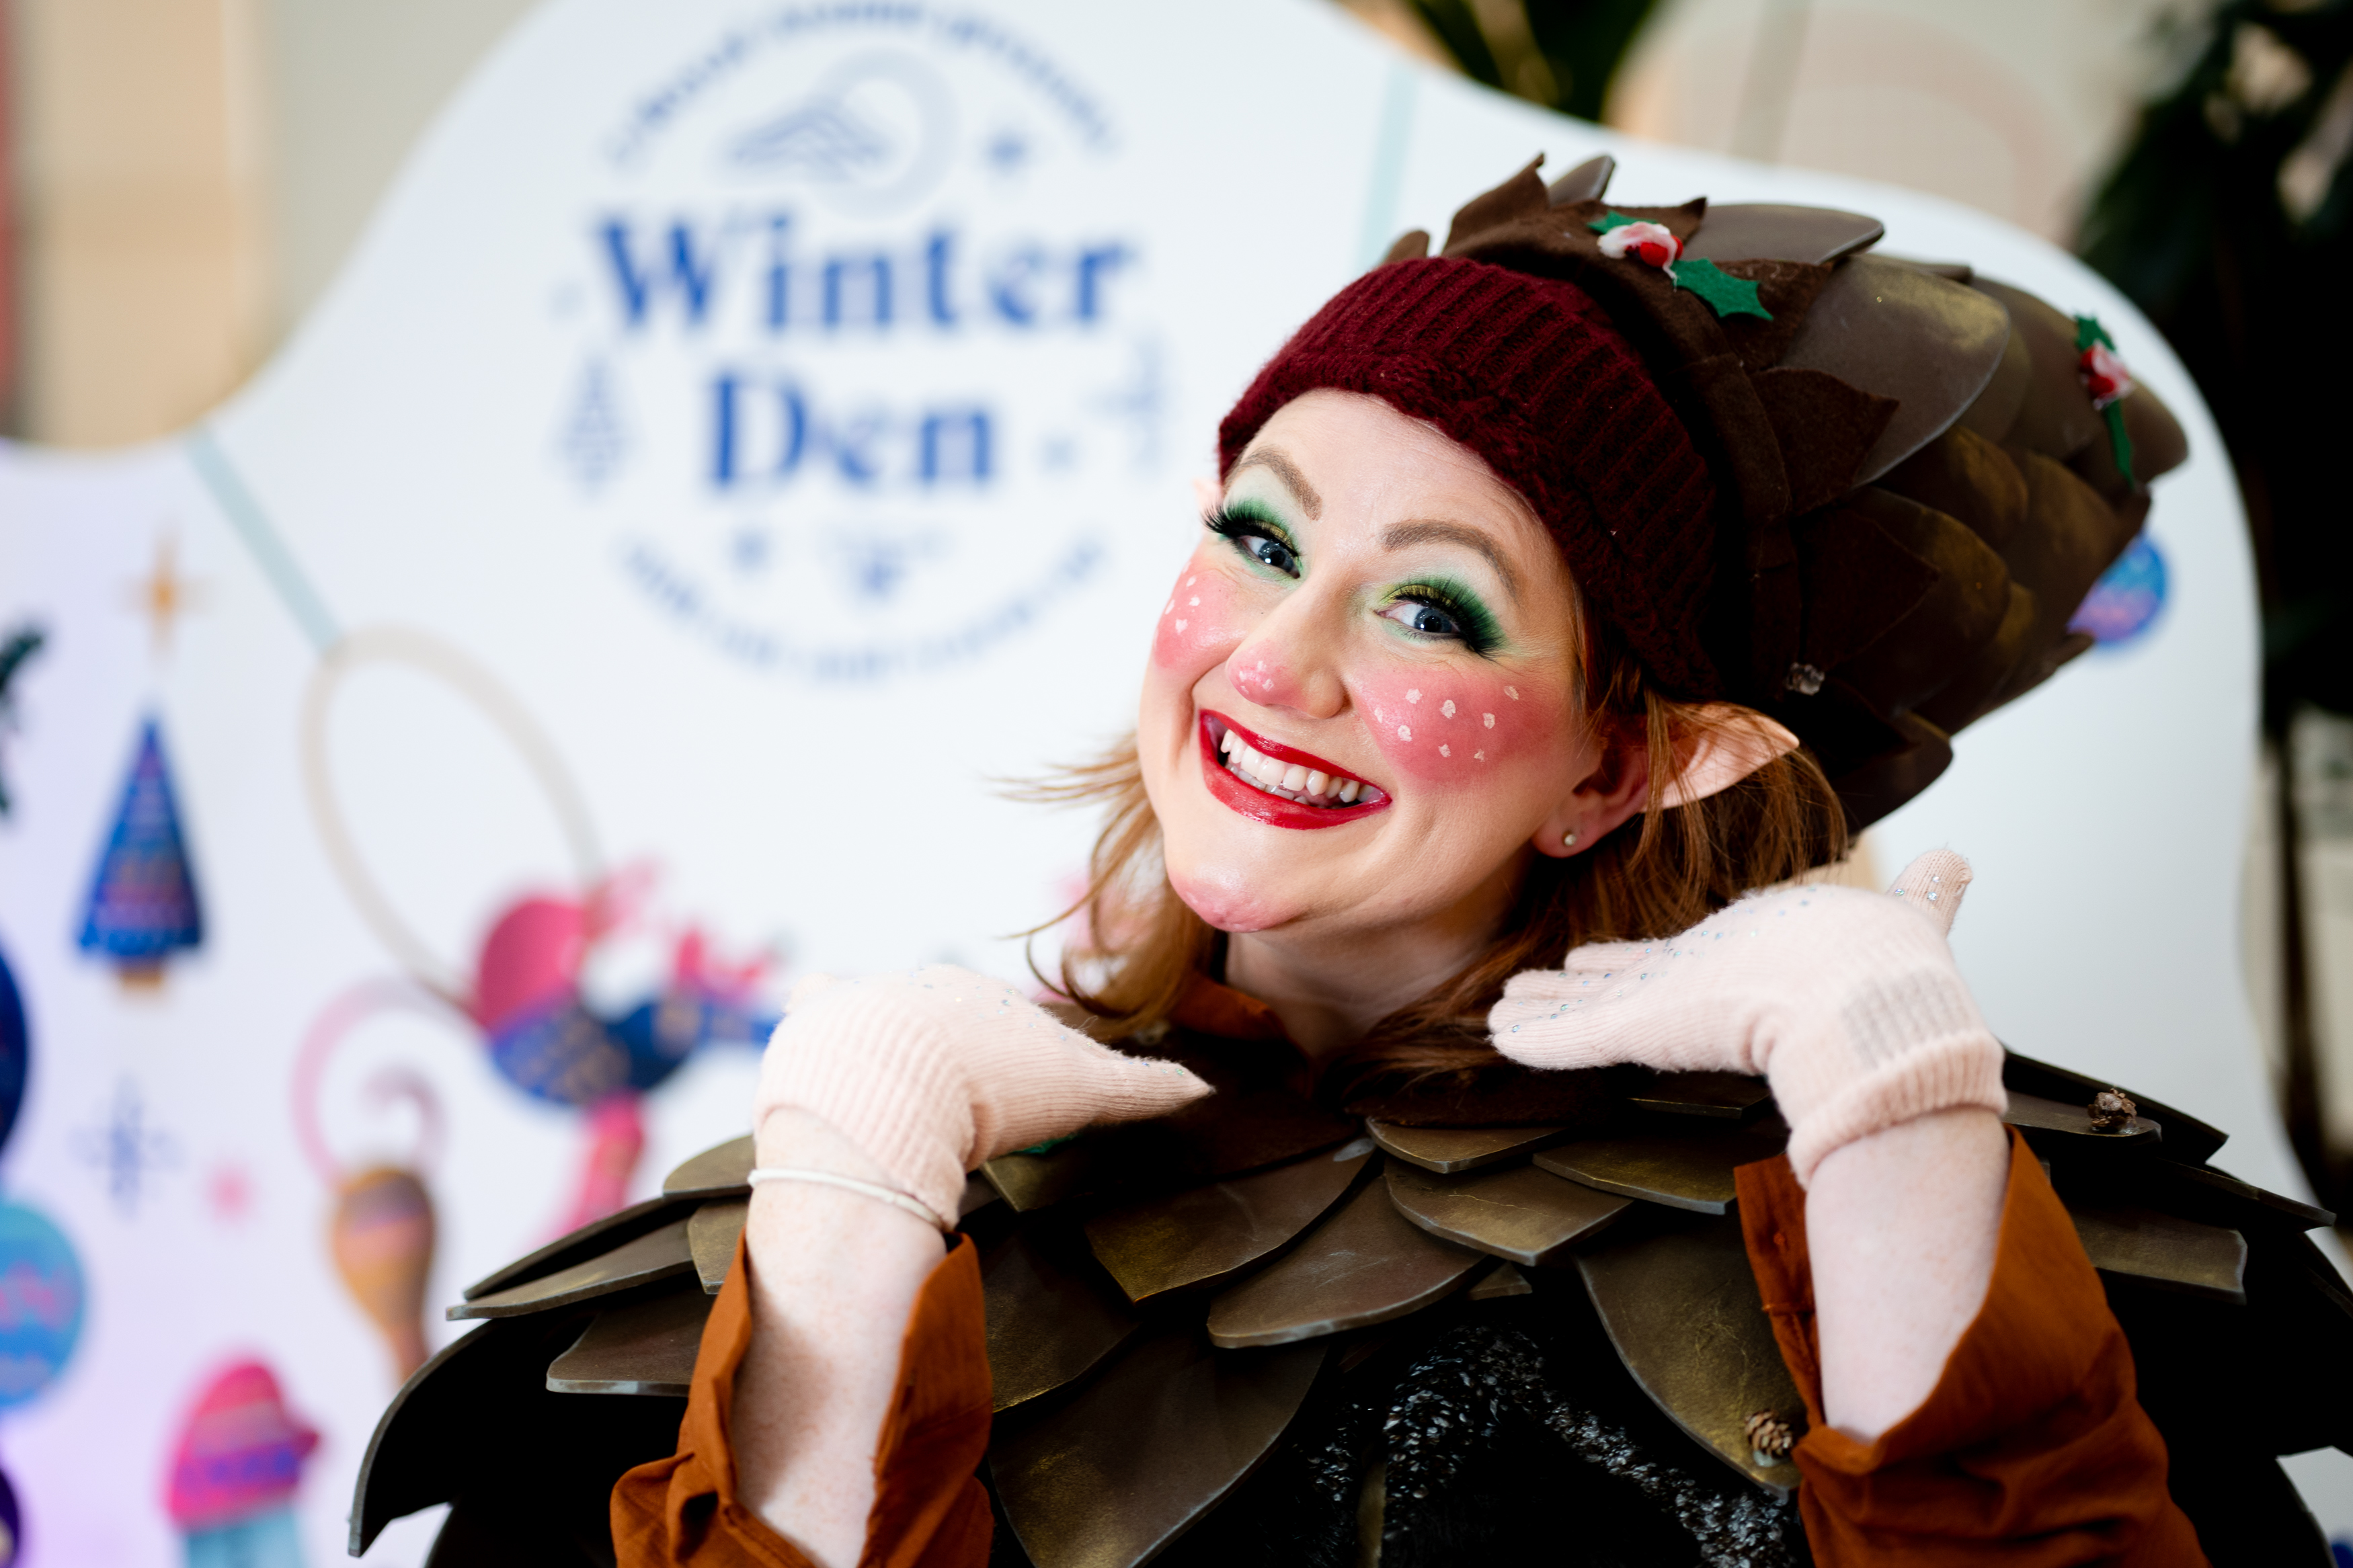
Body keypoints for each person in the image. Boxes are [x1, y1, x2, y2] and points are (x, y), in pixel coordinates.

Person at [356, 158, 2353, 1568]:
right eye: (1259, 538)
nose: (1273, 663)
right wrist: (837, 1234)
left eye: (1434, 611)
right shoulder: (900, 1172)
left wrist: (1898, 1131)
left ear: (1632, 761)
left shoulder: (1893, 1198)